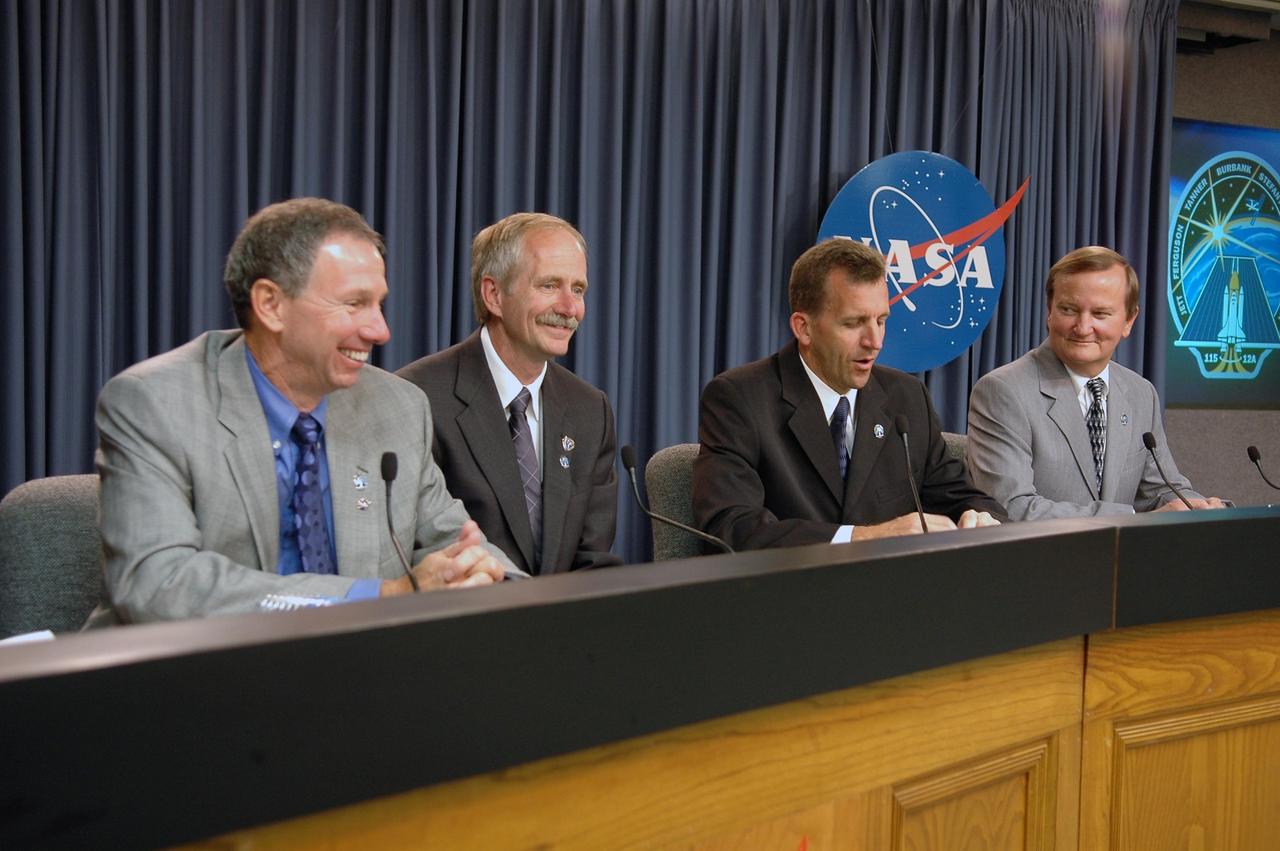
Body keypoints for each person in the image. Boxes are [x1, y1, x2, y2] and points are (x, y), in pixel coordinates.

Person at [92, 198, 512, 625]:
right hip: (192, 671)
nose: (379, 330)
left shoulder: (397, 407)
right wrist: (382, 596)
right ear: (271, 304)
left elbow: (452, 541)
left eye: (379, 304)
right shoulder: (155, 404)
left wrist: (494, 582)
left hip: (355, 673)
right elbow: (158, 584)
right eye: (354, 303)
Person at [692, 238, 1004, 551]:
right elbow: (731, 527)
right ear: (804, 328)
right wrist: (864, 537)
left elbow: (962, 496)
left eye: (881, 321)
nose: (874, 341)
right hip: (789, 592)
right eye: (854, 323)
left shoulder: (906, 398)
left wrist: (978, 517)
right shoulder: (740, 399)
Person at [397, 213, 621, 574]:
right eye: (549, 286)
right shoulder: (417, 398)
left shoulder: (590, 410)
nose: (569, 308)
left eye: (578, 289)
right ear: (494, 295)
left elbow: (593, 561)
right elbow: (415, 554)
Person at [967, 245, 1228, 519]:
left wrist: (1200, 508)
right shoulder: (1003, 391)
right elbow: (1011, 506)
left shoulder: (1140, 393)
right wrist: (1133, 519)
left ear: (1129, 320)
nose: (1082, 327)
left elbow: (1161, 490)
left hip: (1122, 558)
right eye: (1069, 310)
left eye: (1100, 314)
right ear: (1049, 312)